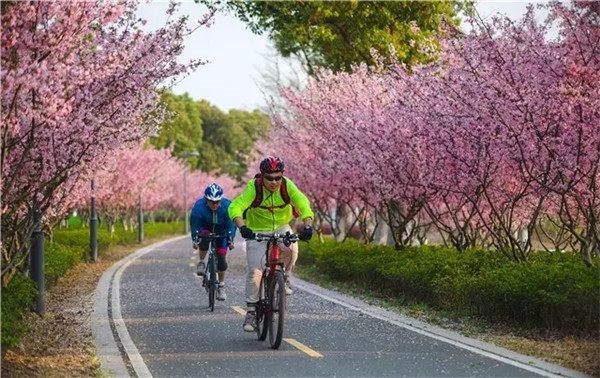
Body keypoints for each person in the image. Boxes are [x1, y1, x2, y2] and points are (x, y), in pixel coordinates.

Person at [228, 156, 314, 332]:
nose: (274, 182)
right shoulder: (255, 187)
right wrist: (242, 226)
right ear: (262, 176)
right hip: (256, 229)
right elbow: (235, 207)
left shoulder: (287, 186)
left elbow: (303, 204)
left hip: (281, 226)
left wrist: (308, 225)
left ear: (282, 175)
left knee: (292, 246)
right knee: (255, 271)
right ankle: (251, 311)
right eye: (269, 178)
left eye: (277, 177)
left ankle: (286, 277)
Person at [190, 183, 236, 301]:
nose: (215, 204)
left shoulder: (227, 205)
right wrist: (195, 239)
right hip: (205, 228)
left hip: (222, 230)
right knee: (203, 241)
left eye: (217, 202)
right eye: (212, 202)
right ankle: (201, 262)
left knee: (221, 259)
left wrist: (231, 238)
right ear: (206, 200)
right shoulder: (199, 206)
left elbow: (231, 224)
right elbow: (195, 223)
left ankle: (221, 285)